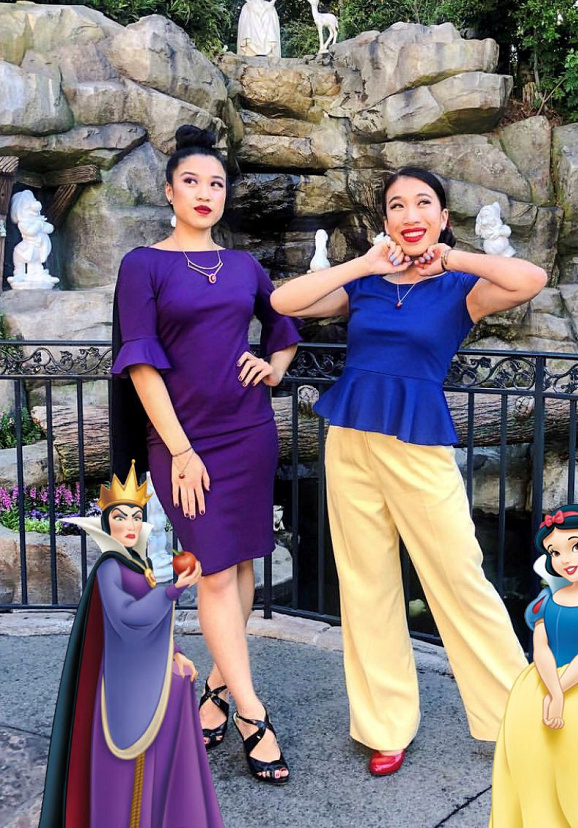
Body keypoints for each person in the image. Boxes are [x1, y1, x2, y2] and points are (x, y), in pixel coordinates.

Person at [270, 166, 547, 775]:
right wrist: (364, 264)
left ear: (442, 217)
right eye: (397, 205)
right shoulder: (366, 284)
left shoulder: (461, 288)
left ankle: (517, 718)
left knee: (459, 575)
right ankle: (384, 725)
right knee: (365, 583)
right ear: (386, 220)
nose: (410, 214)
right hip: (350, 439)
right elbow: (283, 301)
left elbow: (531, 278)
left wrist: (452, 257)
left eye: (424, 203)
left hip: (418, 444)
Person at [111, 125, 300, 783]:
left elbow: (283, 328)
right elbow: (140, 362)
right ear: (169, 191)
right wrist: (182, 450)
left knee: (241, 564)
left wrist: (274, 370)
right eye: (191, 181)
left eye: (215, 184)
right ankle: (253, 714)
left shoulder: (244, 266)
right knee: (215, 572)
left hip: (249, 431)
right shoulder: (143, 265)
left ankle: (218, 690)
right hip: (183, 441)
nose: (204, 192)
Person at [38, 462, 224, 828]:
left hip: (146, 669)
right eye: (120, 517)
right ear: (107, 523)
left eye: (136, 517)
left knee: (176, 703)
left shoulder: (138, 563)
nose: (130, 524)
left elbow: (152, 626)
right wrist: (174, 589)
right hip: (126, 682)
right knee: (136, 752)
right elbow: (129, 618)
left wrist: (175, 654)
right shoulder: (110, 569)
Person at [488, 505, 578, 826]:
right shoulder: (547, 600)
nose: (565, 559)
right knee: (529, 768)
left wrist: (560, 692)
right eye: (555, 552)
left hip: (575, 690)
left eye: (576, 546)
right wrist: (553, 693)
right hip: (534, 688)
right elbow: (540, 647)